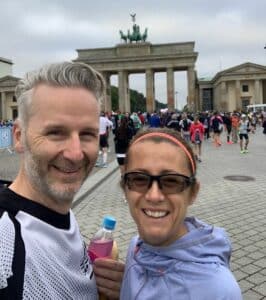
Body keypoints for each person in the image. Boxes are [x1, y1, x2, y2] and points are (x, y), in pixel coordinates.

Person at [0, 62, 124, 299]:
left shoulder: (58, 210)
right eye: (55, 133)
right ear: (19, 137)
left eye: (87, 134)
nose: (75, 153)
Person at [119, 128, 242, 300]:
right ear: (125, 188)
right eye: (139, 179)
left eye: (171, 181)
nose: (154, 196)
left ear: (193, 193)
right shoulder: (135, 247)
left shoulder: (218, 291)